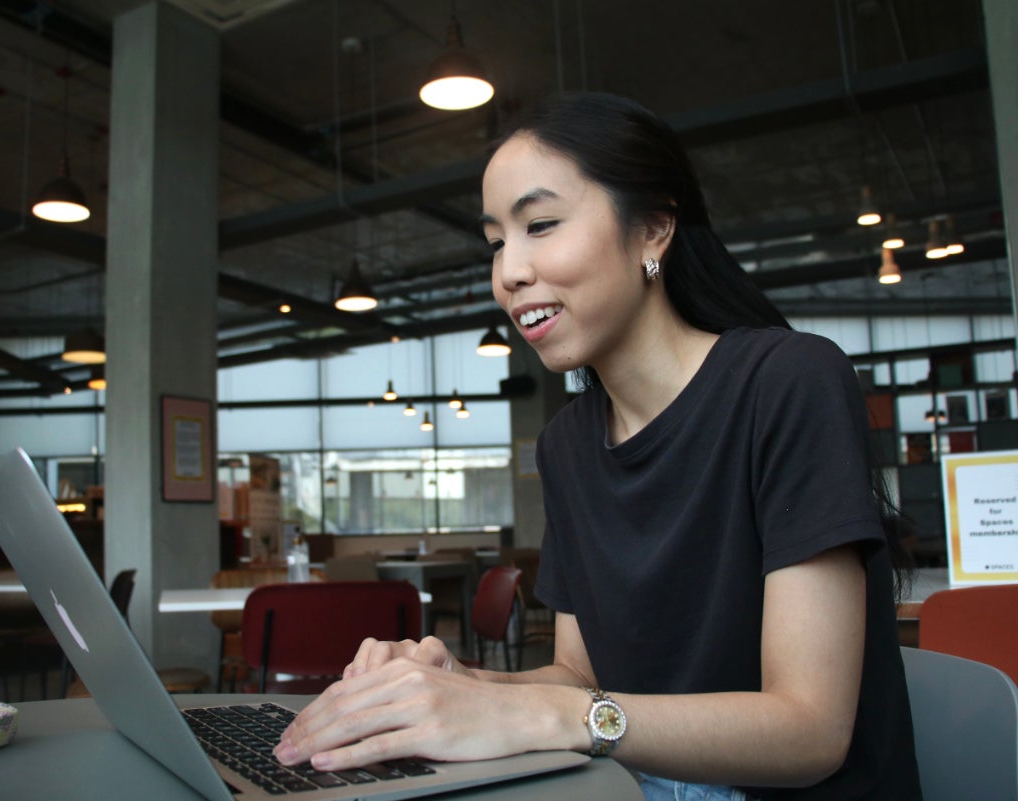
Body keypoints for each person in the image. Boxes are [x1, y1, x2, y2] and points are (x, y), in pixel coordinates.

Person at [273, 93, 921, 800]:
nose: (509, 272)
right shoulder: (567, 443)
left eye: (541, 224)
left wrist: (553, 712)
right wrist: (451, 683)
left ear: (653, 228)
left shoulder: (789, 381)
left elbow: (810, 730)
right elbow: (576, 678)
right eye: (495, 241)